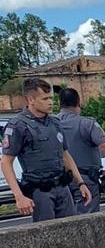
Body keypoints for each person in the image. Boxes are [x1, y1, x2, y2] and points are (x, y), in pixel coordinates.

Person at [0, 78, 91, 221]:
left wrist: (80, 183)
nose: (50, 102)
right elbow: (6, 162)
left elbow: (65, 155)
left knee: (71, 231)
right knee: (46, 235)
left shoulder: (55, 122)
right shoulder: (18, 125)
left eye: (51, 98)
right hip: (39, 190)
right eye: (45, 98)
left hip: (62, 187)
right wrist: (19, 196)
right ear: (31, 99)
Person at [57, 87, 105, 214]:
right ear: (78, 103)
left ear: (59, 104)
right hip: (85, 178)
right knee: (87, 219)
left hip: (60, 181)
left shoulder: (52, 124)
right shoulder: (86, 123)